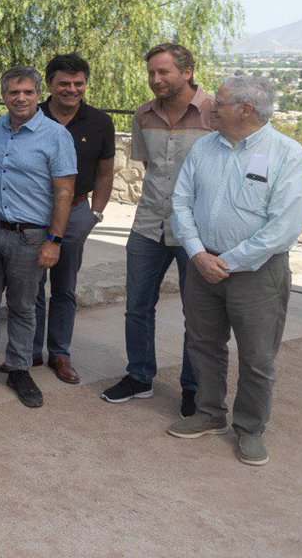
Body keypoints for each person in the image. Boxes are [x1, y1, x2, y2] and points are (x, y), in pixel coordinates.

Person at [166, 77, 302, 466]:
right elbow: (180, 203)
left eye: (221, 102)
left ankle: (250, 429)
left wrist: (227, 262)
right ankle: (209, 413)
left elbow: (283, 227)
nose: (211, 105)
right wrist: (198, 254)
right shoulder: (203, 148)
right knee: (202, 343)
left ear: (246, 110)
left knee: (257, 356)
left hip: (257, 273)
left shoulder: (287, 155)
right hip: (201, 266)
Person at [102, 43, 212, 415]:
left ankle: (193, 389)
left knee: (196, 313)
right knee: (137, 306)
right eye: (151, 72)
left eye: (163, 72)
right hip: (148, 224)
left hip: (197, 232)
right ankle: (139, 377)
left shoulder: (214, 113)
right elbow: (150, 169)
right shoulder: (143, 115)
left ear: (187, 71)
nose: (156, 79)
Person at [0, 67, 76, 408]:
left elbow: (64, 193)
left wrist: (53, 241)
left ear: (37, 93)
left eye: (27, 92)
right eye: (14, 92)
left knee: (23, 307)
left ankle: (18, 367)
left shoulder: (56, 136)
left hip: (30, 237)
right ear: (4, 95)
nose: (21, 98)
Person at [30, 54, 115, 384]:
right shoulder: (31, 115)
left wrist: (94, 214)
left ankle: (60, 353)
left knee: (64, 286)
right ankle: (31, 349)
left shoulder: (99, 122)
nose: (71, 89)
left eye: (78, 83)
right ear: (49, 84)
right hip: (35, 212)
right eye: (64, 83)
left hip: (78, 211)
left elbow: (106, 173)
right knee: (31, 286)